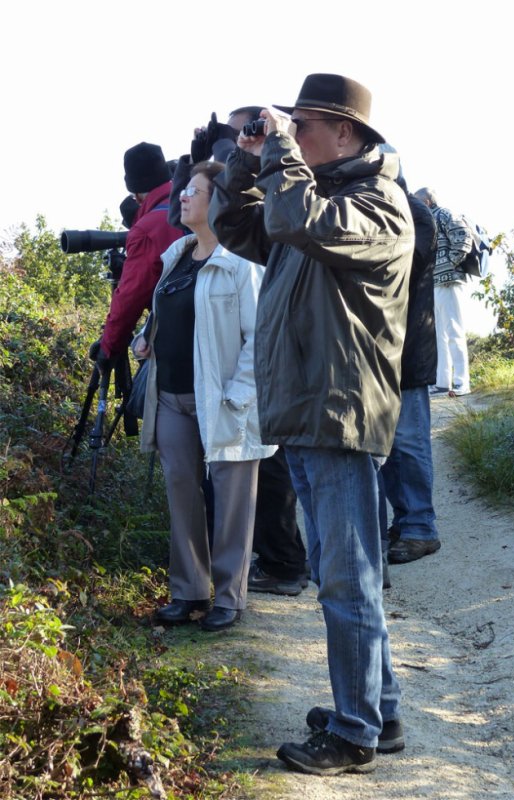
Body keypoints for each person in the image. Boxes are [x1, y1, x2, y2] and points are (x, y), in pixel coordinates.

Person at [209, 73, 414, 775]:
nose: (293, 136)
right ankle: (376, 712)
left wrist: (282, 156)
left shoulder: (377, 205)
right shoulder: (313, 199)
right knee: (343, 572)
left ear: (346, 133)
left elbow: (296, 218)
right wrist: (246, 156)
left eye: (305, 125)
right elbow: (241, 225)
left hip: (339, 414)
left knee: (347, 579)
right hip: (306, 412)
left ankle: (354, 732)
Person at [169, 108, 308, 598]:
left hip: (257, 378)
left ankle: (281, 566)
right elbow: (189, 216)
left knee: (263, 477)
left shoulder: (264, 163)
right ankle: (224, 579)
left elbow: (274, 217)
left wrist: (251, 149)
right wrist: (193, 162)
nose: (233, 133)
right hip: (201, 386)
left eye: (241, 124)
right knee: (232, 482)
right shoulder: (182, 251)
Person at [134, 160, 276, 631]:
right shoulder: (175, 255)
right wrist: (147, 336)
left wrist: (239, 394)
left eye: (193, 191)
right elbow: (169, 311)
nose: (182, 198)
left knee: (234, 499)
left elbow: (261, 336)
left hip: (223, 400)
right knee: (181, 493)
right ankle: (188, 591)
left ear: (219, 200)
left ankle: (230, 597)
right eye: (184, 191)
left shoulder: (242, 263)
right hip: (172, 397)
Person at [379, 179, 441, 565]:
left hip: (409, 350)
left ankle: (421, 526)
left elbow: (398, 268)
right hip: (382, 350)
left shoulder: (414, 212)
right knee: (385, 447)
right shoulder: (380, 204)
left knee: (409, 443)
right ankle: (405, 522)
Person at [93, 142, 183, 371]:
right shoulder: (192, 202)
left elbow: (130, 296)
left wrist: (108, 347)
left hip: (177, 340)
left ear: (136, 194)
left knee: (147, 404)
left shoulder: (148, 228)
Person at [414, 187, 473, 396]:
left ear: (428, 201)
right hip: (434, 284)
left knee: (454, 331)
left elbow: (464, 237)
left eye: (418, 200)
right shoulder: (428, 219)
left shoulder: (445, 214)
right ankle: (442, 382)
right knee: (439, 334)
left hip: (449, 282)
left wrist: (449, 263)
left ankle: (462, 382)